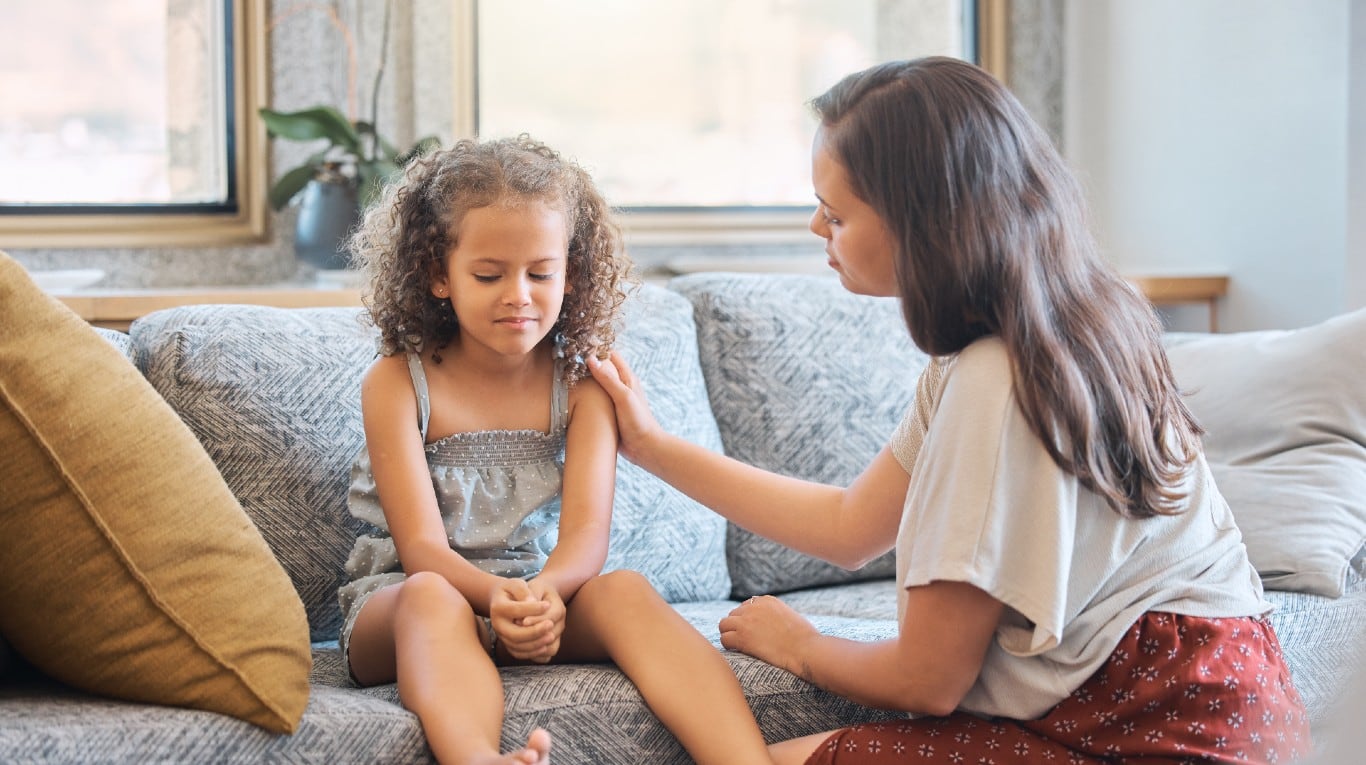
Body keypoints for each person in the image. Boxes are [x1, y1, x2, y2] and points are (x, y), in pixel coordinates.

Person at [588, 57, 1311, 765]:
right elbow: (849, 527)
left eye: (835, 213)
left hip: (1157, 725)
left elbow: (928, 680)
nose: (815, 227)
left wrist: (801, 645)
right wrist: (653, 446)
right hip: (1235, 701)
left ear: (922, 223)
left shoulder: (997, 379)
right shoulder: (1059, 324)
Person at [339, 135, 776, 765]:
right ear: (438, 275)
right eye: (489, 275)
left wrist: (542, 596)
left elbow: (586, 537)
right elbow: (422, 550)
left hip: (536, 593)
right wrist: (497, 600)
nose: (519, 294)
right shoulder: (396, 384)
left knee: (624, 590)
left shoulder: (582, 386)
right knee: (432, 598)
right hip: (408, 602)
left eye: (541, 273)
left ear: (570, 274)